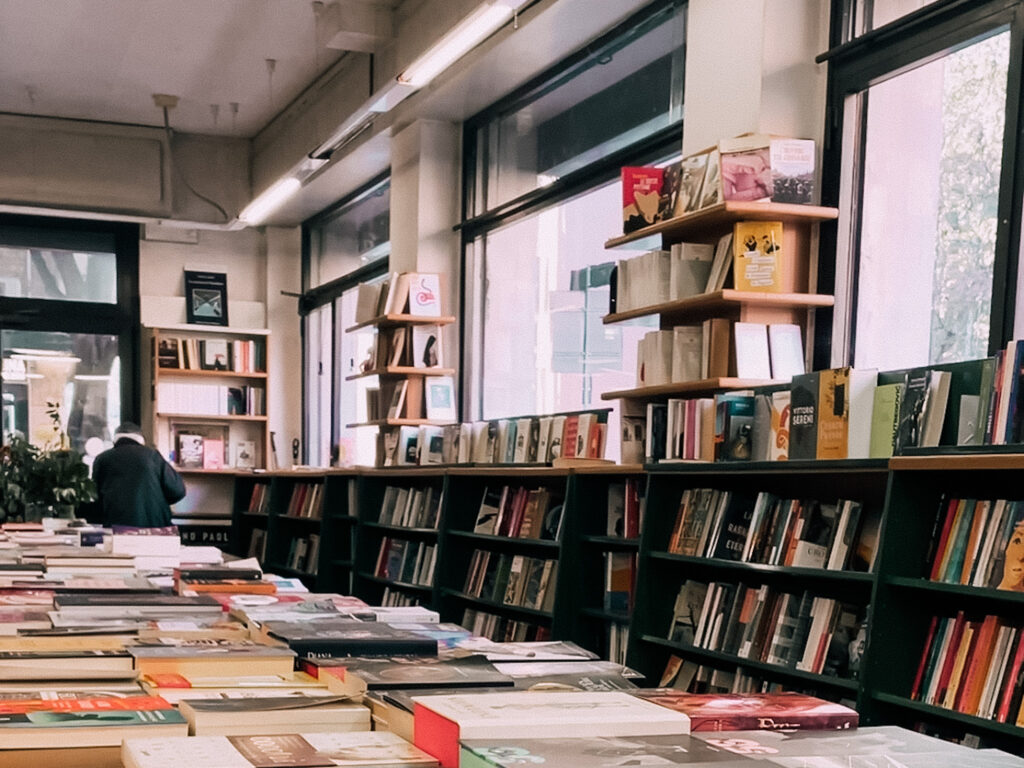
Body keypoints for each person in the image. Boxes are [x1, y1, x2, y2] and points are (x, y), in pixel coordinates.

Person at [91, 422, 186, 527]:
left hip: (116, 529)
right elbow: (178, 491)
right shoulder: (153, 456)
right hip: (154, 528)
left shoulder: (102, 459)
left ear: (115, 440)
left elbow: (95, 495)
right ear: (141, 440)